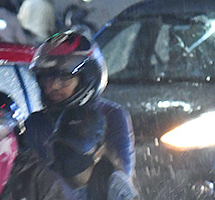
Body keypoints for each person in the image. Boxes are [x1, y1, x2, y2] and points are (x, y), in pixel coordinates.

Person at [23, 30, 136, 177]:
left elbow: (120, 178)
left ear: (86, 79)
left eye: (64, 78)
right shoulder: (35, 124)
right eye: (46, 78)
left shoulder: (112, 116)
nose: (53, 86)